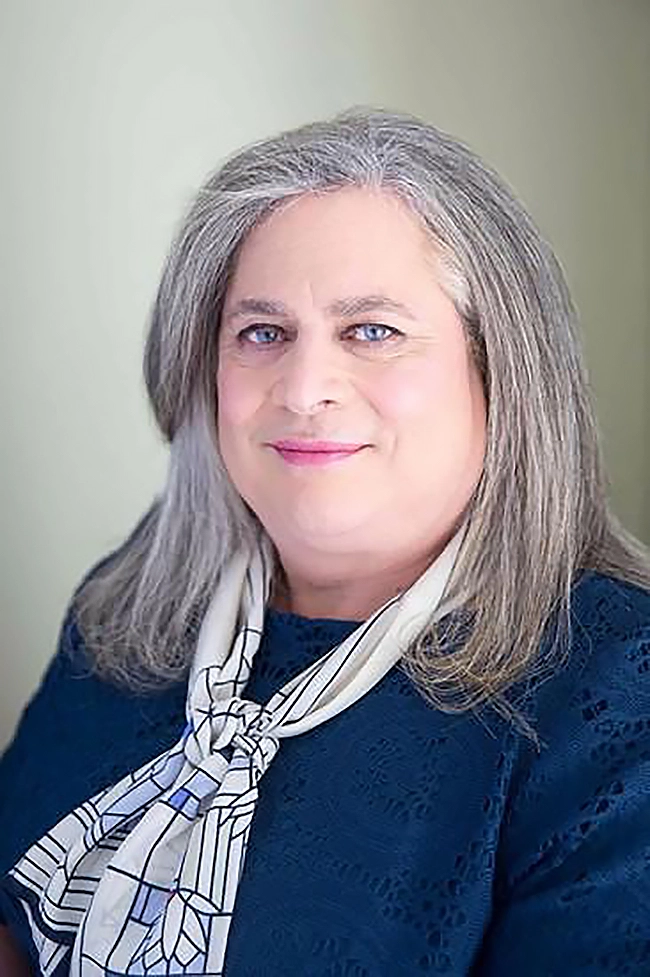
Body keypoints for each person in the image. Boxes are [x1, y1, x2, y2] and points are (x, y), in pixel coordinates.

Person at [1, 108, 649, 977]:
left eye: (372, 331)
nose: (305, 388)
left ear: (500, 371)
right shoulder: (130, 607)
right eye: (262, 333)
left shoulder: (614, 690)